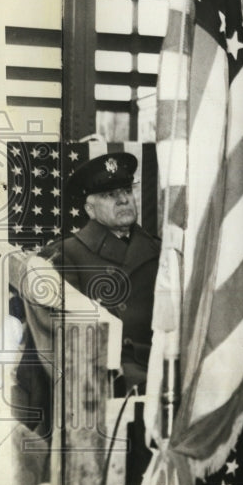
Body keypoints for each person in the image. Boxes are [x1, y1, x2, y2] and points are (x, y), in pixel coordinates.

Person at [38, 152, 159, 392]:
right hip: (107, 377)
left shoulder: (160, 249)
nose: (123, 200)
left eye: (126, 191)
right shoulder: (65, 255)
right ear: (90, 210)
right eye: (109, 195)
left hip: (161, 364)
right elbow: (69, 340)